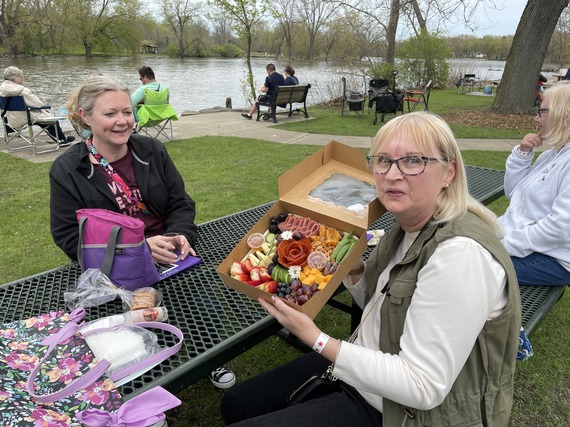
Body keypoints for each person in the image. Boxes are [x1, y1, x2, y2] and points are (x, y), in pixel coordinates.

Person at [221, 112, 521, 426]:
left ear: (449, 172)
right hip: (365, 366)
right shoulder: (406, 227)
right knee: (237, 403)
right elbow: (387, 308)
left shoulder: (460, 256)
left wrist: (316, 338)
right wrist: (353, 271)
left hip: (398, 410)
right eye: (383, 160)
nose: (392, 174)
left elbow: (423, 386)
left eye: (413, 161)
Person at [49, 75, 235, 389]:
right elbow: (69, 236)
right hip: (112, 270)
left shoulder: (150, 150)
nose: (123, 121)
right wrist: (137, 248)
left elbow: (180, 202)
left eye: (127, 112)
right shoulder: (69, 169)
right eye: (110, 114)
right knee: (132, 335)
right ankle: (144, 382)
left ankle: (211, 357)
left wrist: (180, 234)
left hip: (171, 254)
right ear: (85, 115)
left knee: (203, 306)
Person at [498, 81, 570, 286]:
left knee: (471, 267)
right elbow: (514, 194)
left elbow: (560, 228)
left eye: (541, 111)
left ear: (561, 113)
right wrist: (522, 155)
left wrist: (505, 245)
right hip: (526, 241)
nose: (535, 118)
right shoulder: (552, 155)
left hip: (554, 258)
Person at [0, 66, 75, 146]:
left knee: (42, 118)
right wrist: (43, 108)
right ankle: (62, 139)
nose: (23, 78)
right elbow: (38, 104)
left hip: (9, 119)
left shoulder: (1, 90)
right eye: (21, 76)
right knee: (49, 119)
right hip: (24, 118)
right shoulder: (21, 91)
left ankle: (62, 138)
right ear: (15, 78)